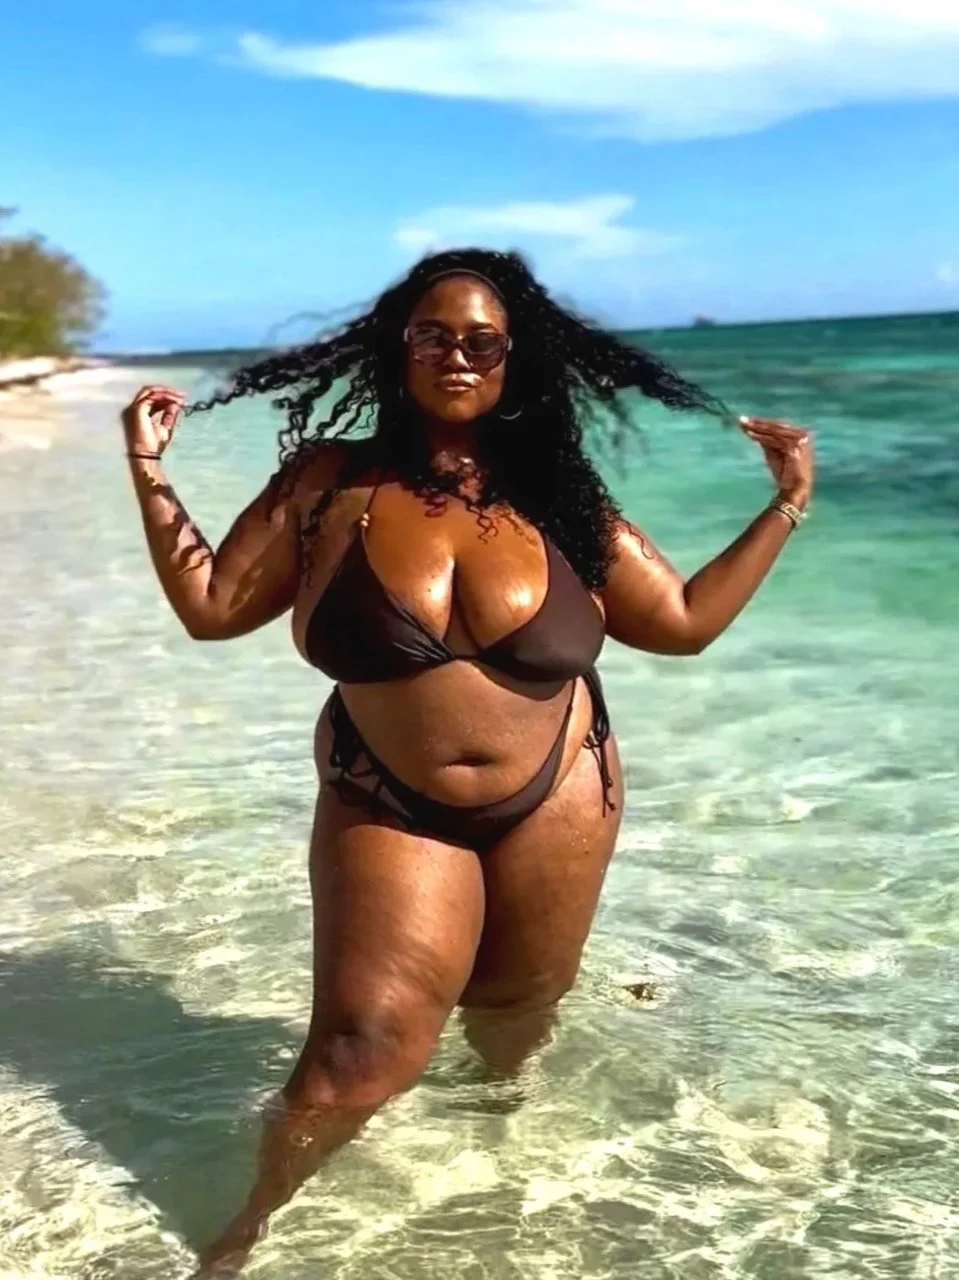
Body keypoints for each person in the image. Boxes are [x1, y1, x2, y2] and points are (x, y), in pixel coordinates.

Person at [121, 248, 813, 1275]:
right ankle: (236, 1241)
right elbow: (213, 606)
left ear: (513, 358)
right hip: (387, 797)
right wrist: (149, 472)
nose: (456, 353)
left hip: (559, 791)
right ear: (396, 348)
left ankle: (497, 1196)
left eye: (481, 339)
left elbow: (676, 621)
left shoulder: (562, 495)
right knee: (355, 1054)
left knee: (512, 1019)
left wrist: (785, 503)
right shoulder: (329, 482)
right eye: (432, 334)